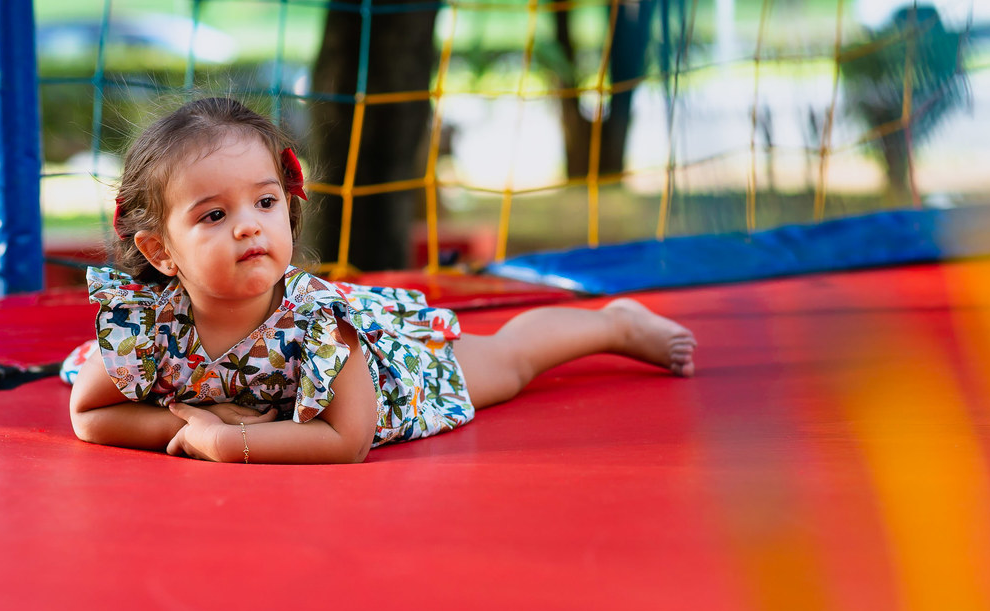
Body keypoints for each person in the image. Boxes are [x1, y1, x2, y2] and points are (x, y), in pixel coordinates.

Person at [66, 97, 697, 464]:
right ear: (159, 250)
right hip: (252, 412)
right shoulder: (149, 328)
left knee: (508, 361)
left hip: (396, 378)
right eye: (213, 215)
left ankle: (613, 323)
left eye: (265, 203)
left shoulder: (315, 325)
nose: (248, 228)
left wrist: (231, 441)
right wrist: (181, 428)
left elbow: (348, 438)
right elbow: (89, 415)